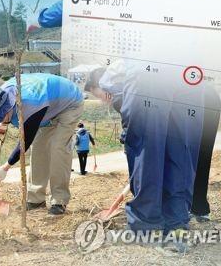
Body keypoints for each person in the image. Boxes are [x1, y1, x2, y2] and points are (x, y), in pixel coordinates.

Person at [84, 61, 204, 243]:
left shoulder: (112, 81)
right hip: (189, 74)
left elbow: (141, 139)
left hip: (149, 71)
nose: (101, 100)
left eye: (96, 94)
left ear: (97, 84)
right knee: (180, 150)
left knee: (147, 150)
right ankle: (176, 222)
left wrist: (130, 139)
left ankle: (147, 226)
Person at [0, 73, 84, 215]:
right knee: (38, 151)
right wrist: (2, 124)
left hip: (69, 103)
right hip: (48, 105)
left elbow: (25, 141)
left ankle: (59, 200)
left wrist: (5, 167)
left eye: (0, 117)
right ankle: (36, 199)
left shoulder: (31, 105)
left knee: (58, 148)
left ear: (8, 108)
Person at [190, 84, 221, 222]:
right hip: (206, 94)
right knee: (201, 155)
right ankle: (197, 207)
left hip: (193, 95)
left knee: (196, 155)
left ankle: (194, 206)